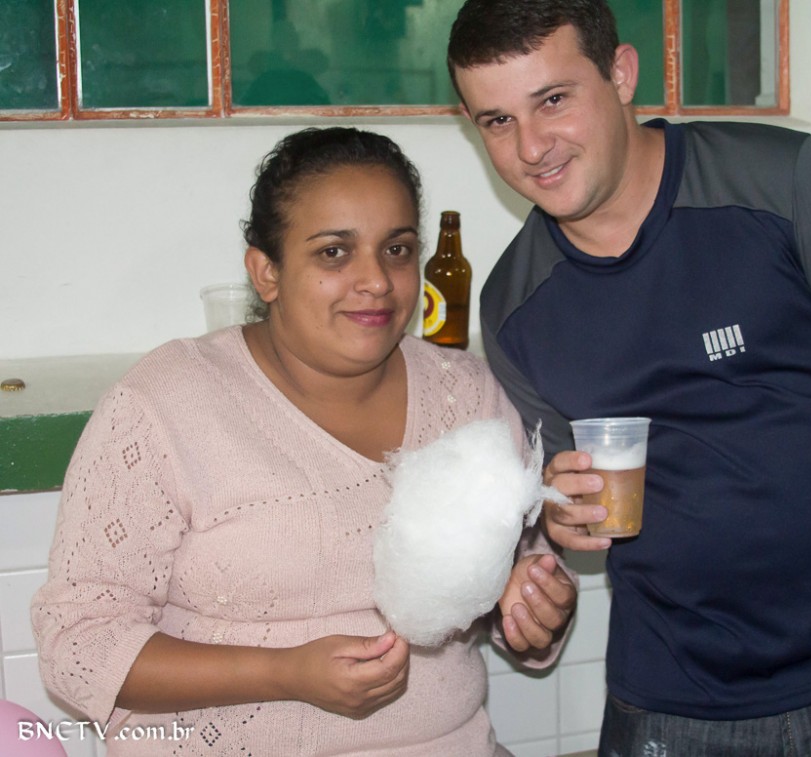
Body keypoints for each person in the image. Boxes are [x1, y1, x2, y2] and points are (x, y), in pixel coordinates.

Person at [447, 1, 811, 754]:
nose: (532, 146)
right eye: (497, 121)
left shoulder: (782, 181)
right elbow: (581, 512)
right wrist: (565, 519)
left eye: (554, 99)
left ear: (621, 74)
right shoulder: (514, 307)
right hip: (670, 710)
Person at [31, 126, 576, 756]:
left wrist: (535, 608)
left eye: (397, 249)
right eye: (334, 253)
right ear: (266, 272)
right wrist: (283, 673)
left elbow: (520, 579)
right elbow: (77, 646)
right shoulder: (166, 403)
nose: (376, 280)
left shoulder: (466, 396)